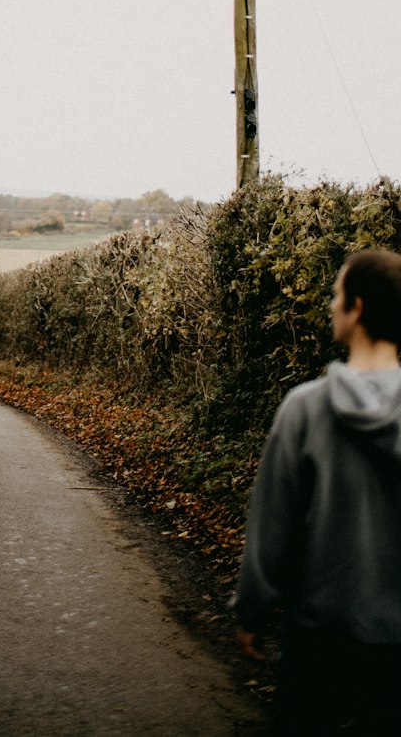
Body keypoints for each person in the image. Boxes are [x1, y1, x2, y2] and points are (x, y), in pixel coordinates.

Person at [233, 247, 401, 734]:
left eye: (335, 294)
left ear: (358, 309)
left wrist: (253, 608)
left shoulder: (305, 409)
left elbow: (272, 521)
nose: (330, 305)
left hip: (319, 638)